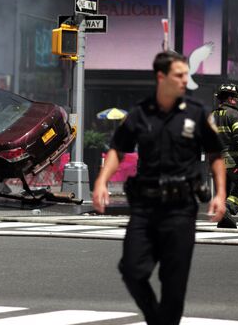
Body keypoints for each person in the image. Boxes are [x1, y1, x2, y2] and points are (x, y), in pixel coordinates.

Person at [92, 51, 227, 325]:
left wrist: (220, 194)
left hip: (180, 210)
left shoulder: (197, 113)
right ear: (161, 76)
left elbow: (216, 154)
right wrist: (101, 181)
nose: (184, 80)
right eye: (179, 75)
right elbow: (118, 148)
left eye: (186, 75)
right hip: (145, 208)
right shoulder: (140, 114)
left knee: (173, 286)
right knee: (131, 270)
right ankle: (156, 320)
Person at [212, 83, 238, 229]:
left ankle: (224, 219)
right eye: (235, 98)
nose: (236, 101)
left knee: (226, 187)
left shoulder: (212, 115)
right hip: (232, 159)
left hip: (216, 161)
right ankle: (227, 209)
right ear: (229, 99)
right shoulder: (234, 114)